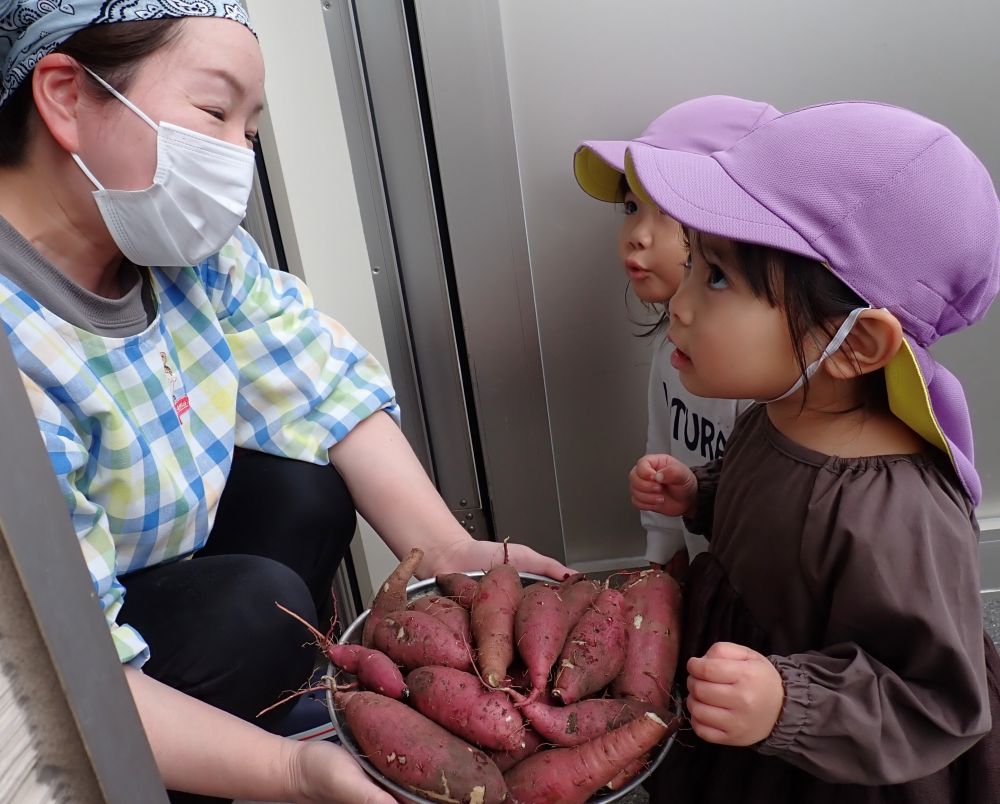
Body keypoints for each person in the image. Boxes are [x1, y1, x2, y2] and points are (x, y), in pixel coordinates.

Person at [0, 4, 569, 803]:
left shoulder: (190, 259)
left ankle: (254, 703)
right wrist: (294, 776)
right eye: (214, 111)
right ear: (64, 96)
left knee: (307, 482)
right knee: (253, 613)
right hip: (65, 666)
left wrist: (449, 552)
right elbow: (74, 670)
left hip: (162, 561)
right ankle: (212, 765)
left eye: (251, 128)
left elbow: (323, 384)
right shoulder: (12, 358)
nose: (239, 154)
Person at [627, 99, 1000, 802]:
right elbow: (769, 500)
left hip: (832, 763)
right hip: (744, 707)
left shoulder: (899, 514)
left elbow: (940, 702)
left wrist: (786, 704)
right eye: (696, 261)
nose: (679, 303)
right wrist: (702, 492)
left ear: (855, 343)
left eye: (716, 279)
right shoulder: (781, 408)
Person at [574, 96, 778, 578]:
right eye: (630, 206)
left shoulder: (763, 378)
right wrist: (660, 559)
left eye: (666, 208)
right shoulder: (673, 345)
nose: (636, 235)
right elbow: (660, 449)